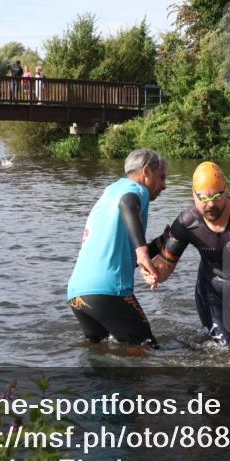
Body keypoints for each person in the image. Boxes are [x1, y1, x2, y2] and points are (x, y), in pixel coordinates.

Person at [145, 162, 230, 348]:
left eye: (217, 196)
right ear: (193, 195)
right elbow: (165, 268)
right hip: (211, 293)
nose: (211, 204)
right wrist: (153, 273)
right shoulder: (186, 223)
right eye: (204, 198)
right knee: (227, 351)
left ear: (226, 190)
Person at [66, 149, 168, 348]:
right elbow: (127, 204)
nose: (164, 185)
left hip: (77, 294)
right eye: (162, 177)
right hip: (108, 291)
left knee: (102, 355)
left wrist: (159, 244)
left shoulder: (110, 192)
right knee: (148, 351)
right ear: (146, 171)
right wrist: (142, 252)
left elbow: (124, 254)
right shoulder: (137, 189)